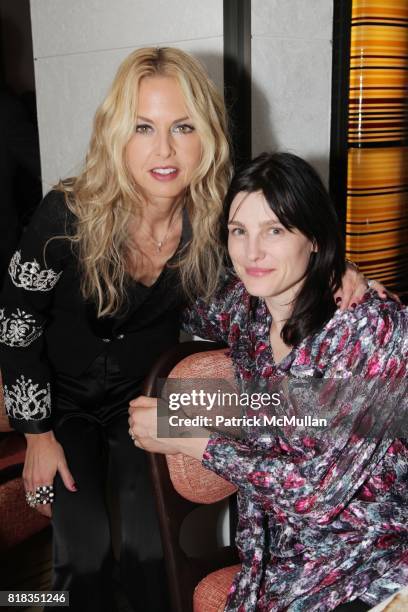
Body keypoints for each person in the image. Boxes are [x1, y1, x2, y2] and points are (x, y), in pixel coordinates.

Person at [128, 153, 408, 611]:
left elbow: (315, 493)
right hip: (281, 567)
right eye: (239, 230)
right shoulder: (247, 310)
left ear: (315, 238)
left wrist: (186, 436)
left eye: (275, 230)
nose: (252, 251)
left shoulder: (373, 332)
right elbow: (178, 297)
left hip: (376, 564)